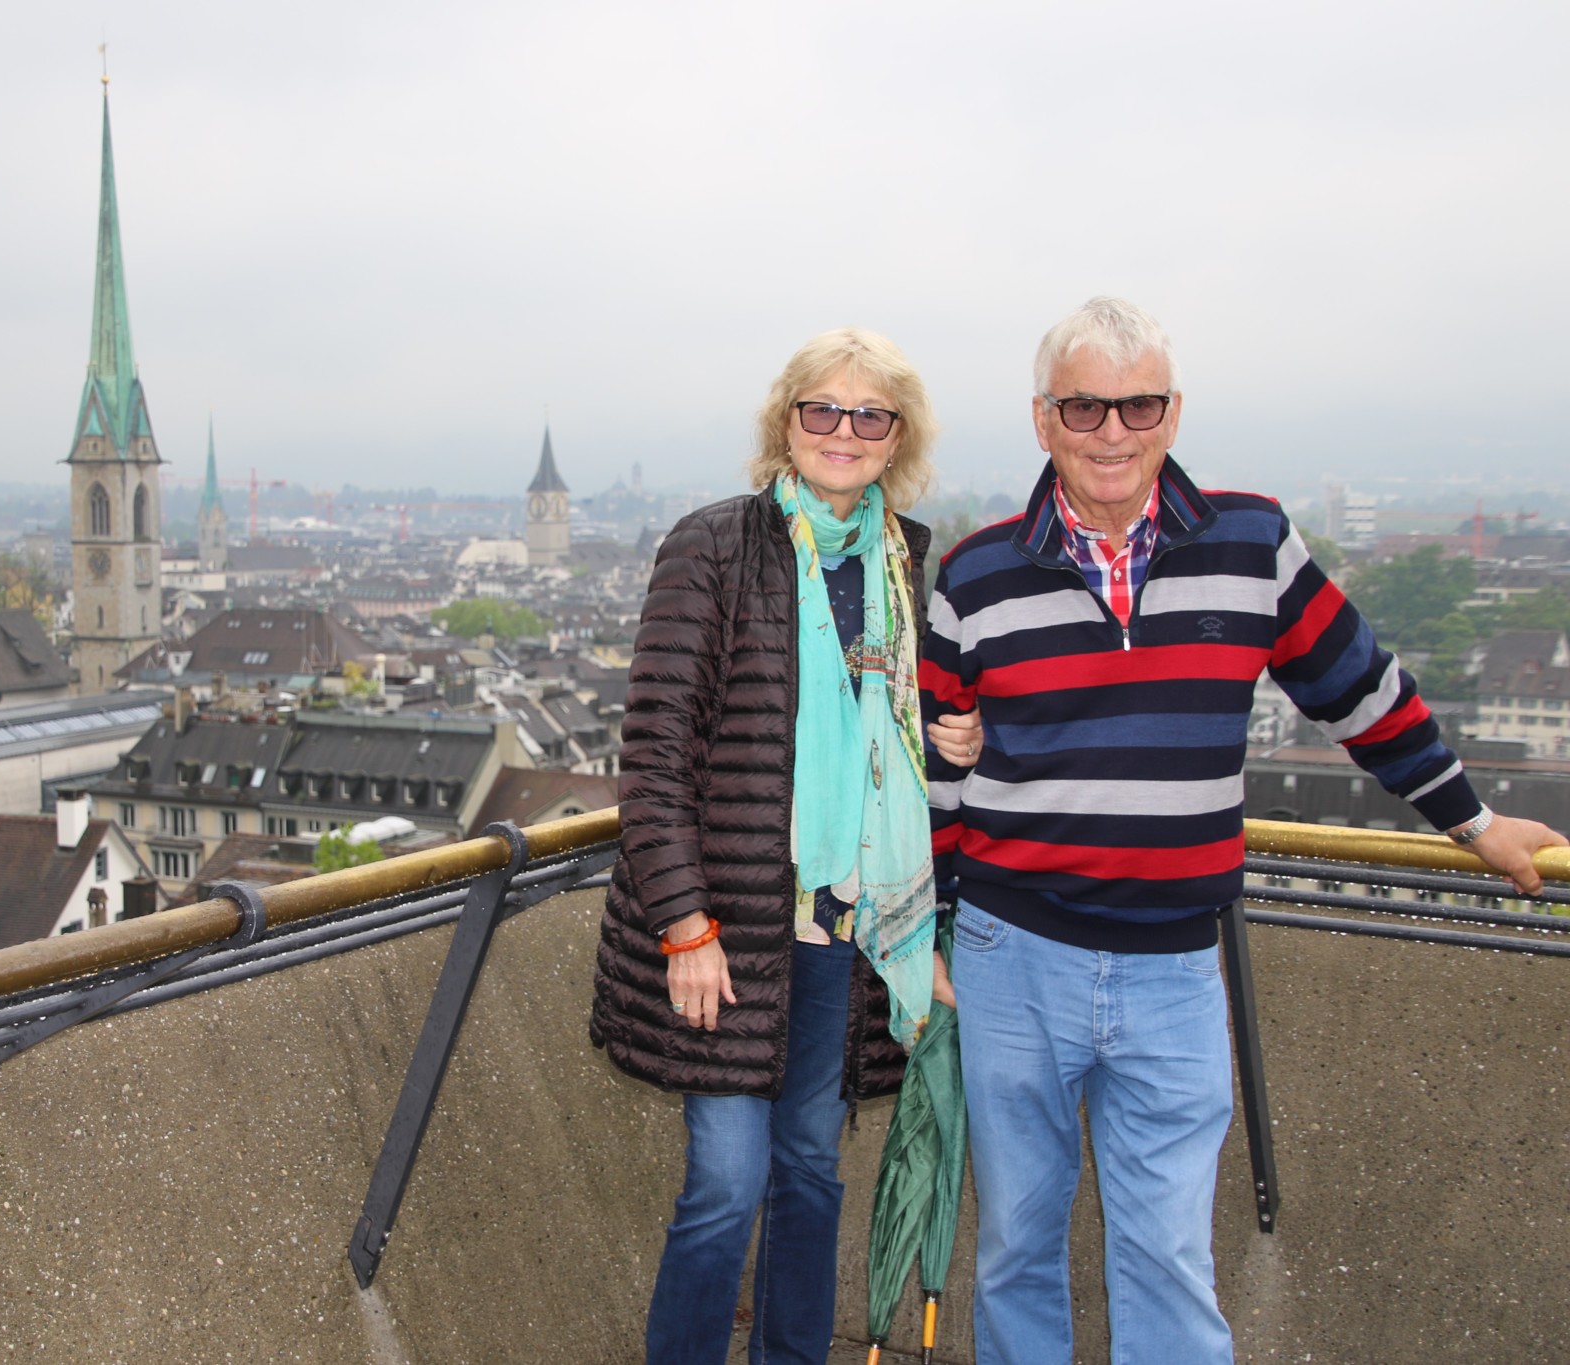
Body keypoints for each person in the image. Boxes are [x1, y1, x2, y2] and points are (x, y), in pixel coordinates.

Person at [921, 296, 1569, 1365]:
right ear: (1042, 420)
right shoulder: (975, 573)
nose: (1113, 431)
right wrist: (933, 930)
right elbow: (935, 772)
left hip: (1173, 968)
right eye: (1084, 407)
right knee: (1014, 1250)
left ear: (1173, 413)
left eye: (1138, 405)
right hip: (1012, 951)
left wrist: (1474, 820)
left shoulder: (1251, 542)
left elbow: (1358, 692)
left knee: (1168, 1258)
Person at [590, 327, 981, 1365]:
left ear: (898, 436)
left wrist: (963, 732)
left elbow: (906, 739)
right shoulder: (714, 546)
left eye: (870, 415)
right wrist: (684, 924)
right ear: (786, 422)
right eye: (822, 409)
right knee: (726, 1181)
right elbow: (654, 754)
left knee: (809, 1166)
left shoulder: (909, 561)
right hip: (727, 930)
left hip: (843, 932)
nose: (844, 431)